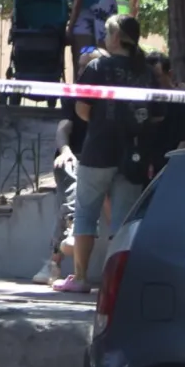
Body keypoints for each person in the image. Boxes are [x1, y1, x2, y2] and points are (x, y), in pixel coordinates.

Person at [52, 15, 159, 294]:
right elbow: (157, 115)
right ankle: (117, 283)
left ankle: (80, 278)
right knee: (123, 222)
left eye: (107, 33)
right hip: (134, 154)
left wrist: (103, 122)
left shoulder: (98, 67)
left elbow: (82, 110)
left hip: (98, 150)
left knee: (86, 215)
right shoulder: (147, 73)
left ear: (115, 37)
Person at [32, 122, 81, 285]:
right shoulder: (74, 107)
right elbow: (62, 128)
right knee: (68, 191)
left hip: (104, 161)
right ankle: (72, 223)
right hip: (75, 158)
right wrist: (65, 151)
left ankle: (54, 262)